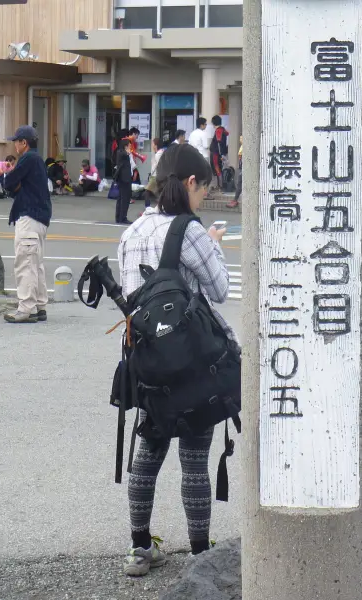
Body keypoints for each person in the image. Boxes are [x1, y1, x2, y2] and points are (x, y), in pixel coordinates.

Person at [117, 142, 233, 576]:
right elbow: (219, 290)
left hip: (146, 364)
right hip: (192, 366)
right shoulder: (191, 231)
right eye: (203, 190)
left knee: (148, 454)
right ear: (188, 184)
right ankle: (201, 554)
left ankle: (139, 549)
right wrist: (214, 245)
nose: (202, 198)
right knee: (194, 460)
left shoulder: (131, 233)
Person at [0, 125, 52, 324]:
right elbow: (17, 186)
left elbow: (10, 182)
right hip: (39, 218)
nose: (14, 144)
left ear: (24, 143)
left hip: (29, 217)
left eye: (16, 141)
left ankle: (26, 308)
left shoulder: (28, 159)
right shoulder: (37, 161)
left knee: (25, 263)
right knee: (36, 263)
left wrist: (9, 172)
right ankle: (40, 306)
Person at [114, 138, 134, 224]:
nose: (130, 146)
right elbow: (125, 154)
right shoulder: (121, 152)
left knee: (121, 198)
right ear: (125, 145)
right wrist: (128, 151)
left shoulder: (123, 153)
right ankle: (122, 218)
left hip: (125, 178)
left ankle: (119, 217)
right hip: (124, 179)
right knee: (124, 199)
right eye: (129, 144)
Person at [210, 115, 229, 188]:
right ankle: (220, 185)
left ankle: (220, 185)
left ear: (213, 122)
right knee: (219, 167)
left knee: (217, 167)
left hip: (216, 153)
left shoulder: (218, 130)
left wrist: (221, 154)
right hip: (221, 153)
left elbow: (218, 142)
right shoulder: (223, 129)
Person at [227, 134, 243, 209]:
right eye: (240, 138)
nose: (240, 139)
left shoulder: (247, 146)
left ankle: (235, 200)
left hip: (244, 168)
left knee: (240, 183)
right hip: (241, 167)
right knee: (239, 183)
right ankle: (235, 199)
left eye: (241, 138)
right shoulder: (242, 146)